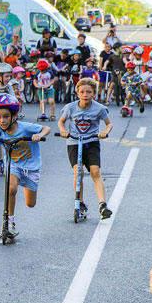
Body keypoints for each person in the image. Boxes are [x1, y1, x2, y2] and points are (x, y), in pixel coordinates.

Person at [0, 94, 50, 239]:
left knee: (30, 204)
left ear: (14, 115)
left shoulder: (25, 127)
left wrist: (39, 135)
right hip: (14, 165)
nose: (2, 120)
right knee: (11, 189)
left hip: (31, 168)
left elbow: (46, 128)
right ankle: (9, 223)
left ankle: (26, 189)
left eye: (6, 116)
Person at [57, 78, 113, 219]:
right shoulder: (70, 108)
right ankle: (79, 203)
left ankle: (102, 205)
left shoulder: (99, 108)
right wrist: (63, 130)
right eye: (82, 92)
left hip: (92, 141)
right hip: (74, 142)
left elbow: (109, 124)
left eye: (88, 92)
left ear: (94, 93)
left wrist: (105, 132)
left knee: (95, 171)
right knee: (78, 172)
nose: (85, 95)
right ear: (77, 93)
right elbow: (61, 122)